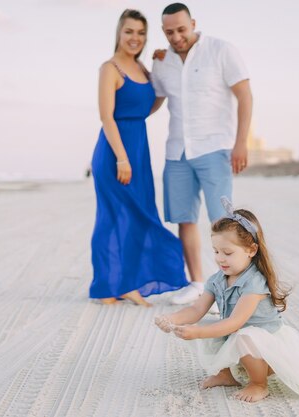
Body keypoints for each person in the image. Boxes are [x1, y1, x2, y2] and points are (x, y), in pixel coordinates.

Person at [155, 197, 299, 402]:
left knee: (241, 335)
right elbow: (196, 309)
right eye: (216, 251)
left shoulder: (254, 282)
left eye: (228, 252)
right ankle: (225, 375)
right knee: (206, 324)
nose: (220, 258)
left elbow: (235, 323)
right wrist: (172, 319)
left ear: (251, 250)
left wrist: (198, 333)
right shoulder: (217, 280)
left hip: (265, 348)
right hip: (237, 337)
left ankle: (259, 383)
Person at [151, 3, 253, 305]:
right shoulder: (162, 61)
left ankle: (235, 284)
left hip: (214, 146)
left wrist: (241, 142)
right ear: (163, 31)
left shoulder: (221, 50)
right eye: (170, 32)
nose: (177, 36)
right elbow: (154, 100)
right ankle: (196, 283)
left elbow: (245, 95)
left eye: (182, 29)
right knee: (184, 219)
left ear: (193, 23)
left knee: (223, 220)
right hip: (177, 150)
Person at [89, 9, 189, 307]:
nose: (135, 38)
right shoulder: (110, 68)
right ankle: (106, 287)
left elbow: (148, 106)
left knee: (138, 218)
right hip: (114, 152)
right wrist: (121, 158)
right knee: (112, 219)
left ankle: (128, 284)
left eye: (141, 33)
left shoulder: (143, 69)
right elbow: (107, 117)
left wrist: (161, 66)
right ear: (119, 33)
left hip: (139, 152)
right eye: (129, 31)